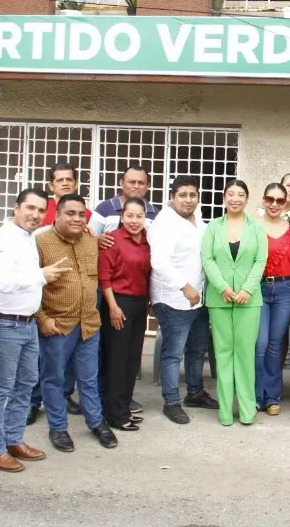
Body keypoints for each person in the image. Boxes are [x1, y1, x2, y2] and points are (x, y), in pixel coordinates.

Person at [0, 188, 68, 473]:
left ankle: (13, 438)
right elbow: (2, 281)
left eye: (41, 210)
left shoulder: (30, 238)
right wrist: (41, 276)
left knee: (26, 384)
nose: (35, 215)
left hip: (28, 323)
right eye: (30, 208)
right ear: (16, 208)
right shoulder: (3, 239)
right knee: (0, 388)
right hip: (5, 323)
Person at [35, 193, 118, 452]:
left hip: (88, 323)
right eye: (70, 213)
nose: (77, 218)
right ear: (57, 215)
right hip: (57, 325)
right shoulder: (40, 242)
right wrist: (42, 318)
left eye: (81, 214)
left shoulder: (91, 240)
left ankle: (96, 422)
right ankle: (58, 428)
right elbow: (29, 284)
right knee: (54, 379)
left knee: (89, 378)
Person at [149, 175, 218, 425]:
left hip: (198, 299)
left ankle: (195, 393)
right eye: (183, 195)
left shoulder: (198, 220)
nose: (188, 200)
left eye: (193, 195)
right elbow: (159, 262)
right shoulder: (165, 223)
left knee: (197, 349)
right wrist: (185, 286)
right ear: (172, 197)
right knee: (173, 353)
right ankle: (171, 402)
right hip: (173, 299)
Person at [201, 180, 268, 426]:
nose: (235, 198)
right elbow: (207, 259)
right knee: (223, 354)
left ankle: (248, 410)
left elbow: (260, 260)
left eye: (240, 195)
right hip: (220, 299)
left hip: (249, 301)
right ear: (223, 198)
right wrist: (223, 288)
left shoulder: (256, 227)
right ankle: (226, 411)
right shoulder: (213, 227)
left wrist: (247, 290)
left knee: (245, 354)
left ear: (247, 199)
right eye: (231, 194)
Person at [31, 162, 90, 421]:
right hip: (44, 297)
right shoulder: (41, 212)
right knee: (41, 360)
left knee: (66, 361)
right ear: (50, 185)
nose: (65, 183)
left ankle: (64, 396)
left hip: (73, 301)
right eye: (60, 179)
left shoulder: (80, 213)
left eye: (69, 179)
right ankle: (33, 402)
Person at [98, 198, 151, 432]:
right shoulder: (113, 240)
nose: (134, 221)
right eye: (129, 216)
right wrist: (112, 306)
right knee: (117, 361)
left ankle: (124, 408)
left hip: (140, 304)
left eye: (139, 216)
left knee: (132, 360)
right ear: (122, 217)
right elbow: (104, 276)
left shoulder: (148, 241)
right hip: (118, 303)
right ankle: (114, 415)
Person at [256, 183, 290, 415]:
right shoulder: (252, 226)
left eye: (279, 201)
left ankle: (272, 396)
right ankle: (255, 394)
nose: (274, 204)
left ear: (286, 204)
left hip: (285, 289)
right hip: (259, 288)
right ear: (263, 200)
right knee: (259, 344)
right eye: (270, 199)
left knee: (275, 345)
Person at [88, 165, 160, 236]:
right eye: (132, 182)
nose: (136, 186)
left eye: (141, 183)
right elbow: (90, 239)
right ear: (121, 183)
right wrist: (99, 240)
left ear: (147, 186)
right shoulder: (104, 208)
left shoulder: (155, 214)